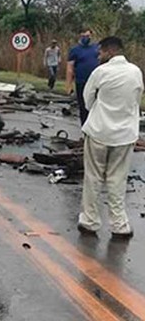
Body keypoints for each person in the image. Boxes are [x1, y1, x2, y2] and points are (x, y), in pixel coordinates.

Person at [77, 37, 143, 239]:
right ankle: (119, 225)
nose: (99, 55)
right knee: (117, 180)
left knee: (93, 177)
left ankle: (90, 221)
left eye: (100, 52)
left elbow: (87, 101)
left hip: (99, 131)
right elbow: (136, 99)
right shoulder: (135, 72)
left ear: (108, 51)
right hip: (124, 135)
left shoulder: (100, 72)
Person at [66, 29, 99, 125]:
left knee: (96, 105)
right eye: (84, 36)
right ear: (79, 36)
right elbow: (69, 69)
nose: (86, 38)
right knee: (83, 106)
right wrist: (69, 85)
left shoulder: (97, 48)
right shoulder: (75, 50)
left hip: (96, 82)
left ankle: (95, 126)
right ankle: (85, 127)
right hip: (81, 82)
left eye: (88, 36)